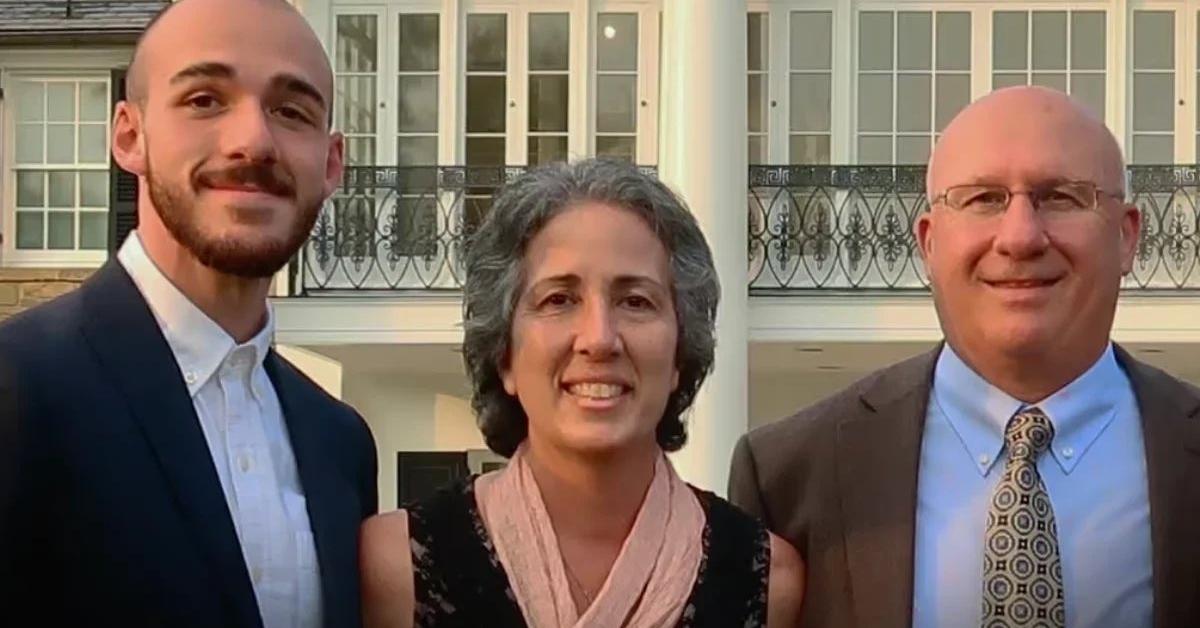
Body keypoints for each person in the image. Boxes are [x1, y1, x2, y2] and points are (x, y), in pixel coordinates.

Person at [729, 86, 1200, 628]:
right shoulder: (788, 476)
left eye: (1061, 197)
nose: (1020, 237)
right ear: (929, 242)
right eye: (983, 199)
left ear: (1126, 236)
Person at [0, 0, 377, 626]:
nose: (253, 141)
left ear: (332, 163)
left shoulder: (341, 443)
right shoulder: (17, 391)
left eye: (291, 111)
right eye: (205, 99)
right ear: (128, 135)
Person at [359, 159, 804, 627]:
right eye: (558, 300)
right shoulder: (396, 567)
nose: (599, 338)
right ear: (504, 354)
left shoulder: (767, 582)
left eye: (636, 301)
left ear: (680, 354)